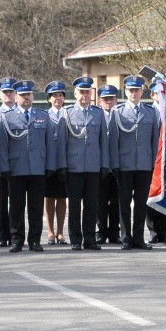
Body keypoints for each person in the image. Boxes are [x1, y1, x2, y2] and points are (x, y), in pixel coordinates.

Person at [0, 80, 56, 252]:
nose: (26, 98)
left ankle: (35, 240)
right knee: (16, 206)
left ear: (33, 96)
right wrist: (4, 167)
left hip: (38, 168)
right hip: (16, 169)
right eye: (22, 95)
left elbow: (50, 143)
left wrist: (50, 165)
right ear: (16, 97)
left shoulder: (42, 116)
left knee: (36, 207)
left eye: (28, 94)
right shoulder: (7, 117)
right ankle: (17, 240)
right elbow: (1, 145)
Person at [57, 76, 109, 251]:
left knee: (91, 205)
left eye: (87, 92)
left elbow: (104, 142)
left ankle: (89, 238)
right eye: (82, 92)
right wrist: (62, 166)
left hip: (93, 166)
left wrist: (104, 165)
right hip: (74, 167)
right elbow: (62, 143)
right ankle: (76, 239)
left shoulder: (98, 113)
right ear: (75, 94)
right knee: (74, 205)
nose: (85, 95)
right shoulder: (67, 113)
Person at [109, 75, 159, 251]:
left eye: (137, 90)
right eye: (131, 90)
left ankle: (138, 237)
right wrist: (114, 164)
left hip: (144, 164)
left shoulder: (151, 112)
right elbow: (113, 141)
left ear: (142, 91)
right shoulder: (118, 112)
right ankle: (126, 237)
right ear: (126, 91)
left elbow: (154, 141)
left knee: (141, 203)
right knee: (124, 204)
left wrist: (153, 164)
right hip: (124, 165)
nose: (134, 93)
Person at [0, 77, 18, 247]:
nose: (8, 95)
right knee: (1, 202)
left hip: (17, 166)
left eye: (10, 92)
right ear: (0, 95)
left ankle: (15, 234)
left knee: (16, 203)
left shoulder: (20, 112)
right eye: (5, 92)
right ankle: (2, 235)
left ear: (15, 94)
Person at [146, 81, 166, 244]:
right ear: (152, 95)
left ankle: (164, 231)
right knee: (151, 195)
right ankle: (153, 231)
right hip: (151, 159)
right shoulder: (149, 111)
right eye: (158, 93)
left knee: (165, 196)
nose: (161, 96)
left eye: (164, 94)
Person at [43, 81, 68, 245]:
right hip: (49, 162)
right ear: (49, 99)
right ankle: (50, 231)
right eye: (54, 96)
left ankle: (61, 232)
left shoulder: (69, 113)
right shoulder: (44, 115)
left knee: (62, 197)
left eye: (60, 95)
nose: (58, 98)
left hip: (66, 161)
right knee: (49, 197)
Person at [96, 84, 120, 245]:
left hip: (118, 166)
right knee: (100, 202)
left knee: (117, 202)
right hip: (100, 166)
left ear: (116, 100)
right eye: (105, 99)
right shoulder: (97, 117)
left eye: (111, 99)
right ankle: (101, 231)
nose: (108, 102)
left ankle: (114, 232)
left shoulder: (121, 116)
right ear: (99, 101)